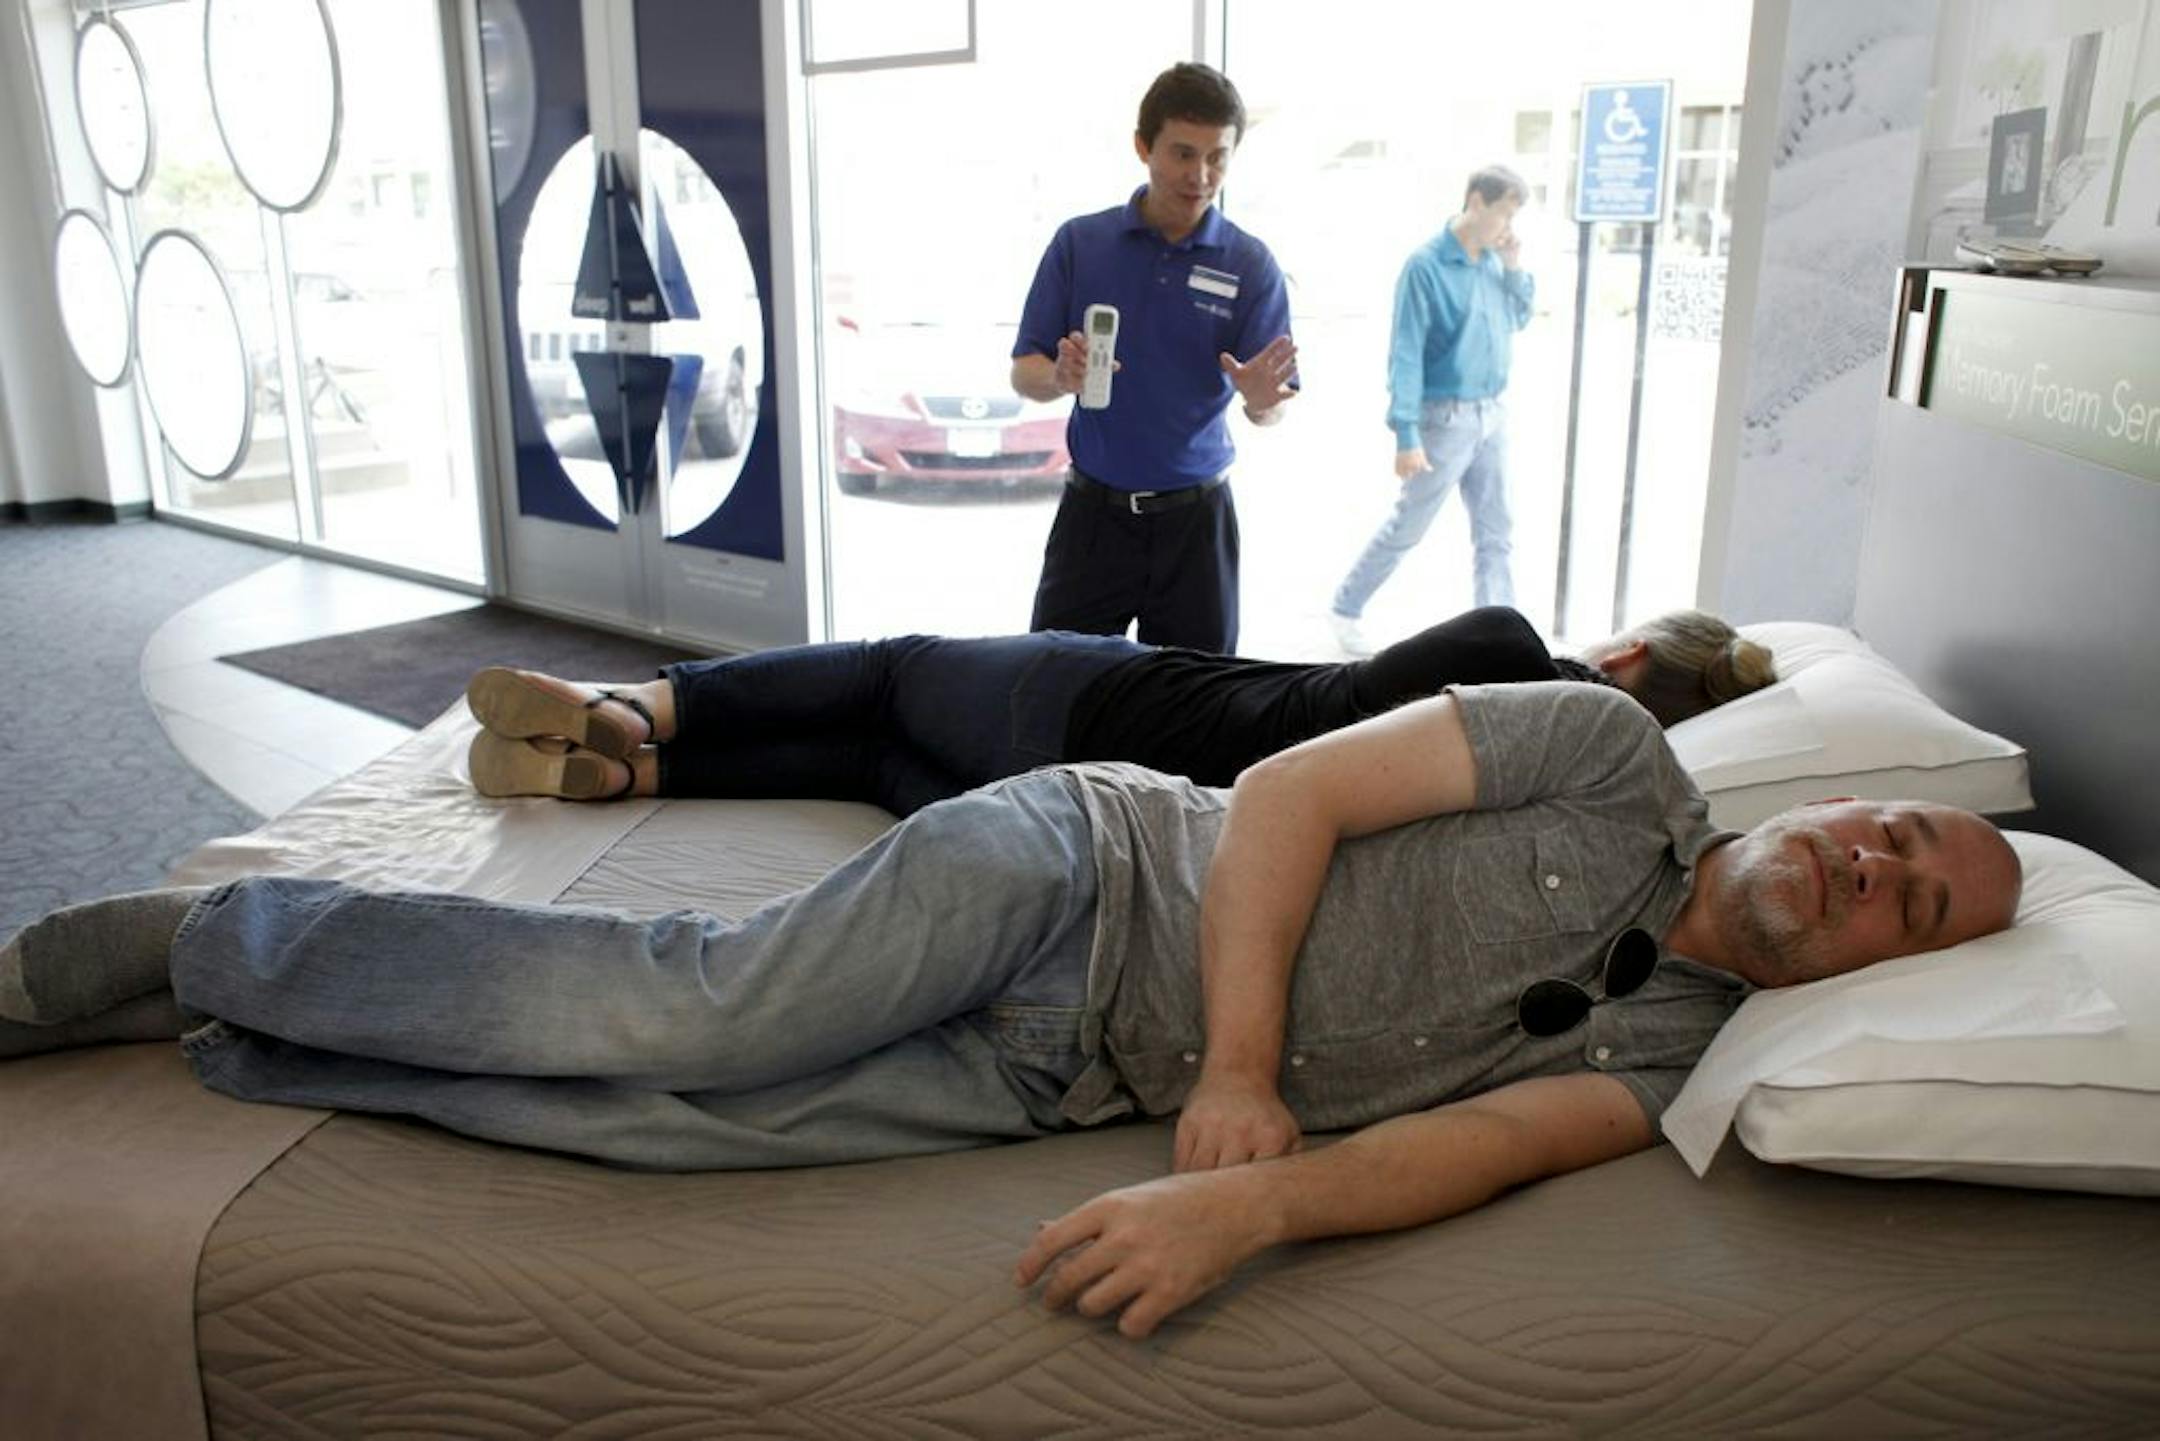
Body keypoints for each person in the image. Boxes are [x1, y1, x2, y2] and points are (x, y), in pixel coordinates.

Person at [0, 683, 2021, 1341]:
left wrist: (1250, 1205)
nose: (1874, 869)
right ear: (1839, 796)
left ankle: (253, 1033)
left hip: (1068, 1073)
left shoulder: (1673, 1067)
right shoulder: (1606, 752)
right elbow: (1297, 790)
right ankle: (184, 947)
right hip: (1091, 865)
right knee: (700, 1021)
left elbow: (1485, 1141)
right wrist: (1240, 1079)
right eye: (1893, 830)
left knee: (660, 1130)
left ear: (1884, 968)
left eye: (1913, 906)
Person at [461, 605, 1777, 814]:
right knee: (869, 765)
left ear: (1622, 662)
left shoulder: (1507, 648)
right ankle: (638, 780)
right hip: (1104, 810)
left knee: (892, 667)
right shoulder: (1546, 795)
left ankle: (635, 704)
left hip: (1108, 694)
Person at [1011, 61, 1298, 654]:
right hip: (1093, 517)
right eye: (1183, 154)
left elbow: (1270, 408)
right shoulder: (1079, 243)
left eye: (1217, 156)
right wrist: (1061, 376)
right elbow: (1025, 372)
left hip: (1197, 526)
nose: (1200, 175)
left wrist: (1263, 404)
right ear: (1144, 147)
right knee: (1052, 685)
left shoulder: (1249, 263)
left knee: (1199, 709)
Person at [1329, 165, 1536, 658]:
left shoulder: (1492, 261)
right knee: (1409, 525)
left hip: (1492, 415)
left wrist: (1512, 267)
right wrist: (1405, 433)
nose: (1508, 226)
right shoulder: (1425, 266)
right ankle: (1345, 607)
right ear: (1475, 201)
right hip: (1444, 419)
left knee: (1496, 532)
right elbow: (1406, 351)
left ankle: (1499, 636)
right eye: (1504, 212)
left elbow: (1520, 317)